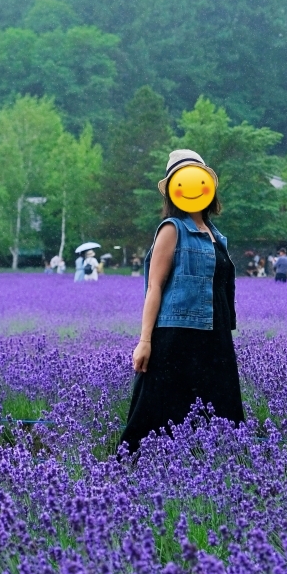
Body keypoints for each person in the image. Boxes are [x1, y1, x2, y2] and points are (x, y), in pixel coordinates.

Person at [120, 149, 244, 453]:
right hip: (177, 333)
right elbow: (154, 287)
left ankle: (217, 463)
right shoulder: (171, 230)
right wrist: (145, 341)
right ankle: (136, 465)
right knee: (162, 407)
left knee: (219, 405)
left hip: (215, 333)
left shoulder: (216, 235)